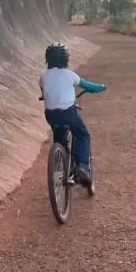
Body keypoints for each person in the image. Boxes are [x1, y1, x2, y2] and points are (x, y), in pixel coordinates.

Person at [39, 43, 105, 184]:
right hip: (68, 112)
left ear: (48, 59)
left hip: (51, 114)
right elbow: (87, 85)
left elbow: (44, 91)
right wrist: (100, 87)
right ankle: (81, 166)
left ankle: (58, 166)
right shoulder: (70, 75)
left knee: (59, 137)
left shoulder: (43, 76)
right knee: (82, 135)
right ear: (66, 59)